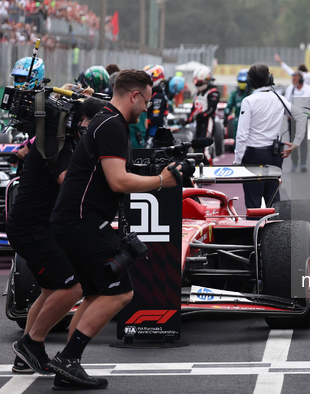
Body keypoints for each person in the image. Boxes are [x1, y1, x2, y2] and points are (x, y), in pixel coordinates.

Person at [47, 69, 181, 390]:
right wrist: (163, 181)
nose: (148, 108)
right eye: (147, 101)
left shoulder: (106, 120)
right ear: (134, 95)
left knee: (94, 293)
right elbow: (118, 181)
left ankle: (69, 366)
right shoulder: (112, 126)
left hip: (74, 220)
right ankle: (68, 357)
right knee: (121, 293)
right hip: (83, 222)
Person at [9, 84, 105, 377]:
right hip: (31, 227)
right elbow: (68, 180)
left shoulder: (55, 138)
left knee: (51, 289)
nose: (90, 127)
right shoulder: (55, 141)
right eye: (90, 121)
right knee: (72, 286)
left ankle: (24, 357)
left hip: (34, 225)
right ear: (79, 120)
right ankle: (31, 344)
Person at [233, 63, 307, 209]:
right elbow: (302, 116)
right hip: (274, 155)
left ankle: (255, 231)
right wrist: (296, 142)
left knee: (253, 203)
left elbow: (242, 135)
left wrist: (237, 161)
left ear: (250, 82)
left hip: (253, 156)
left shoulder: (248, 101)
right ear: (270, 79)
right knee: (273, 202)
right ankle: (275, 231)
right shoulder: (279, 98)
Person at [284, 70, 310, 172]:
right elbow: (285, 103)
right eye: (292, 79)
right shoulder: (290, 89)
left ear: (301, 80)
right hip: (292, 120)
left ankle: (303, 163)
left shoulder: (309, 90)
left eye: (295, 79)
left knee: (303, 142)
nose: (293, 81)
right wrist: (287, 115)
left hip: (305, 119)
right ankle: (294, 163)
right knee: (293, 142)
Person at [186, 66, 219, 149]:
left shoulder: (213, 92)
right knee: (197, 147)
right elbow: (194, 108)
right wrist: (188, 119)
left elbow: (211, 110)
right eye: (195, 82)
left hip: (208, 122)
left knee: (205, 149)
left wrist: (199, 115)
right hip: (199, 123)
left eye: (199, 82)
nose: (197, 84)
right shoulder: (197, 93)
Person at [143, 64, 168, 148]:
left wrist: (146, 121)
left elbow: (157, 118)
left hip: (154, 133)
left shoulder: (158, 96)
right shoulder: (154, 94)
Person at [224, 68, 251, 140]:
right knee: (237, 142)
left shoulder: (252, 93)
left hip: (250, 122)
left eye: (244, 81)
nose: (242, 82)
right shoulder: (234, 93)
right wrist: (226, 115)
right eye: (240, 81)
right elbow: (229, 106)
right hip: (237, 121)